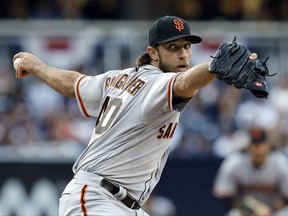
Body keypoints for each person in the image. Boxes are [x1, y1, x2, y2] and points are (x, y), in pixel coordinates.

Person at [13, 16, 257, 216]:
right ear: (153, 53)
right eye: (173, 47)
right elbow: (184, 82)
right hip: (98, 200)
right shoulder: (157, 83)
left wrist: (38, 67)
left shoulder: (117, 78)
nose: (183, 54)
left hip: (123, 205)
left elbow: (74, 83)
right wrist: (213, 66)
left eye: (186, 46)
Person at [212, 127, 288, 216]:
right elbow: (224, 196)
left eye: (260, 143)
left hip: (273, 211)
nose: (257, 148)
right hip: (244, 211)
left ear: (268, 146)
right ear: (248, 146)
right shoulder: (234, 162)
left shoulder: (280, 162)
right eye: (254, 144)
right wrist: (249, 210)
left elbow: (286, 198)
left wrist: (270, 211)